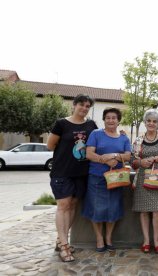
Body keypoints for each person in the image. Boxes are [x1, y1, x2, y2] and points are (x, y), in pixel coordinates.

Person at [47, 94, 97, 262]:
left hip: (82, 173)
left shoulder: (91, 125)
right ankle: (64, 246)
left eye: (87, 106)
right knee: (63, 205)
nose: (84, 108)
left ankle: (60, 240)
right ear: (74, 105)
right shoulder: (61, 124)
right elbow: (50, 145)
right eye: (81, 105)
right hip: (62, 172)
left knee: (73, 204)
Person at [82, 107, 131, 252]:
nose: (111, 120)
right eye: (108, 117)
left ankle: (108, 238)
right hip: (97, 178)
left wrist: (114, 156)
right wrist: (105, 161)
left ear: (118, 120)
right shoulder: (96, 134)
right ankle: (99, 238)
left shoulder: (124, 138)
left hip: (116, 179)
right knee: (96, 209)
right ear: (104, 120)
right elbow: (89, 154)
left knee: (113, 209)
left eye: (114, 118)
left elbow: (128, 156)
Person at [131, 109, 158, 254]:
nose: (151, 123)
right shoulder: (138, 140)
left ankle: (157, 241)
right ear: (145, 122)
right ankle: (146, 241)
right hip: (143, 177)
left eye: (154, 121)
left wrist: (156, 158)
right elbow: (133, 161)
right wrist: (140, 162)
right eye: (148, 121)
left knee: (157, 211)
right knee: (143, 211)